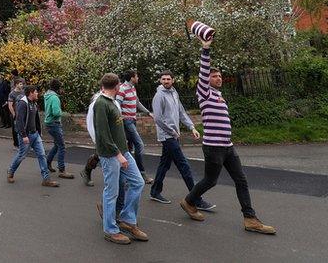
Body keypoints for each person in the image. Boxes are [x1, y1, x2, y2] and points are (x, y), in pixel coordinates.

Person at [180, 38, 276, 235]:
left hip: (228, 147)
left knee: (241, 180)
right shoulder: (204, 93)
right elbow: (203, 70)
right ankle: (189, 201)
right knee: (210, 181)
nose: (218, 78)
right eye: (214, 76)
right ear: (206, 80)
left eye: (220, 76)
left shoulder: (218, 96)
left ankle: (250, 219)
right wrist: (205, 49)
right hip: (213, 147)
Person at [93, 73, 147, 245]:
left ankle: (126, 219)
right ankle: (110, 229)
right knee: (112, 191)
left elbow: (113, 127)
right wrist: (118, 155)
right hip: (111, 155)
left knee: (138, 182)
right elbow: (102, 134)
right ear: (116, 86)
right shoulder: (101, 104)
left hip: (123, 151)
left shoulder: (112, 102)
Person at [149, 70, 212, 211]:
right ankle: (196, 199)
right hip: (167, 136)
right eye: (163, 79)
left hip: (173, 135)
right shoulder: (159, 96)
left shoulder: (174, 93)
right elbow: (158, 118)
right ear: (160, 81)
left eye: (168, 79)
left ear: (173, 80)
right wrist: (172, 131)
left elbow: (181, 112)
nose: (166, 81)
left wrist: (192, 127)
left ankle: (154, 191)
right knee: (184, 165)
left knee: (164, 164)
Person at [7, 85, 58, 187]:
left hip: (35, 134)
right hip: (26, 135)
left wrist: (39, 132)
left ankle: (46, 179)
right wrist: (24, 135)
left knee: (42, 155)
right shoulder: (22, 103)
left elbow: (35, 119)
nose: (37, 93)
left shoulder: (34, 103)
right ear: (30, 93)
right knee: (21, 155)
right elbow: (19, 121)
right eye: (36, 92)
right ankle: (11, 171)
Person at [117, 71, 153, 184]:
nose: (138, 78)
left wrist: (148, 112)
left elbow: (137, 102)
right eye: (137, 76)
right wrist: (120, 118)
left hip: (133, 120)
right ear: (132, 78)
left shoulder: (132, 88)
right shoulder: (122, 89)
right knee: (139, 144)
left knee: (128, 148)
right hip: (126, 121)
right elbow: (117, 104)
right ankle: (141, 173)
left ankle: (127, 175)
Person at [44, 79, 74, 179]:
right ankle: (62, 170)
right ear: (58, 88)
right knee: (62, 146)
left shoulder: (47, 95)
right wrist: (64, 113)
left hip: (49, 123)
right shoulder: (55, 98)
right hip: (54, 124)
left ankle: (47, 163)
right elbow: (56, 112)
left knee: (57, 145)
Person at [7, 78, 25, 149]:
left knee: (23, 128)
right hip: (15, 114)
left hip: (23, 113)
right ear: (16, 85)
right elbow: (10, 105)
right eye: (20, 84)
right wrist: (14, 114)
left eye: (22, 84)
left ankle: (23, 143)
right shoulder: (12, 94)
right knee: (15, 129)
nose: (22, 85)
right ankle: (16, 144)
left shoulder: (23, 92)